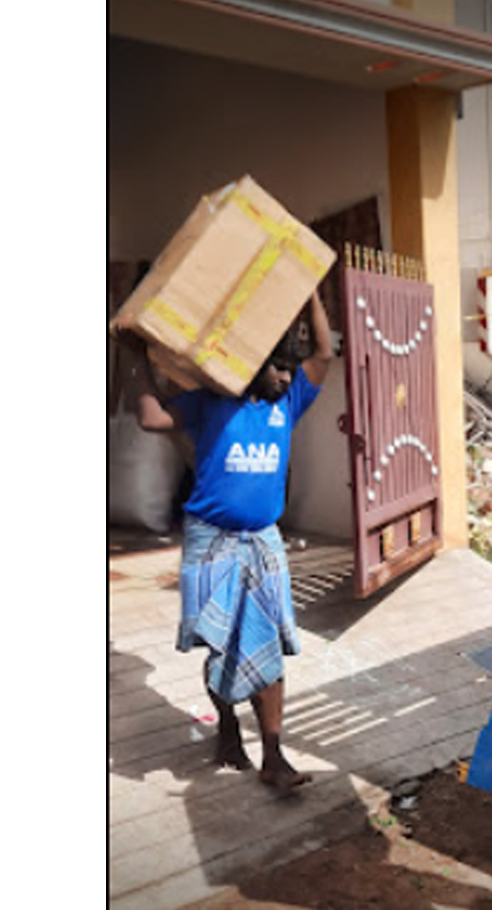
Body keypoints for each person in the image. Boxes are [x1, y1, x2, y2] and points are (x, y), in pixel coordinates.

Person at [125, 291, 333, 791]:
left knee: (268, 646)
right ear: (249, 366)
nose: (286, 377)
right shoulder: (211, 403)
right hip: (210, 539)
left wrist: (309, 291)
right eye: (277, 368)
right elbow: (152, 418)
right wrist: (134, 357)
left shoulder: (289, 403)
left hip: (263, 542)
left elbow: (324, 353)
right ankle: (228, 729)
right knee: (221, 645)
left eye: (290, 369)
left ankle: (274, 755)